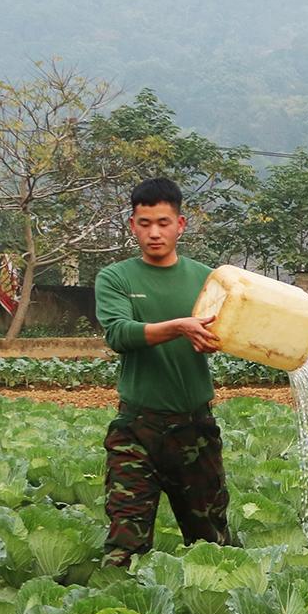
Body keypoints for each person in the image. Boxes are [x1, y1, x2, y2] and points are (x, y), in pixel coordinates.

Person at [93, 177, 232, 566]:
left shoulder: (208, 280)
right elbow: (119, 334)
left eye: (164, 222)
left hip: (196, 430)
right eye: (144, 223)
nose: (154, 233)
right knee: (125, 546)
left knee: (212, 546)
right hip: (138, 429)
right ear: (132, 225)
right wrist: (180, 326)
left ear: (181, 224)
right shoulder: (116, 277)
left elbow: (233, 332)